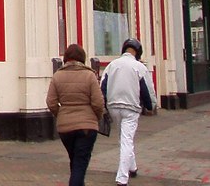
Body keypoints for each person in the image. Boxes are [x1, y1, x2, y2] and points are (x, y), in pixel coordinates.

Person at [46, 43, 105, 186]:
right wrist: (96, 117)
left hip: (65, 127)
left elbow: (51, 102)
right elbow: (98, 102)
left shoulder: (57, 76)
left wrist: (60, 115)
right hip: (87, 126)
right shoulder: (90, 75)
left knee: (75, 160)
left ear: (66, 58)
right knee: (80, 162)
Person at [101, 37, 157, 185]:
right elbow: (147, 89)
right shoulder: (139, 67)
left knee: (123, 137)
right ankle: (122, 177)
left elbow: (103, 86)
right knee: (127, 139)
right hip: (131, 107)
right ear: (138, 52)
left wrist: (103, 104)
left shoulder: (112, 65)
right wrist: (151, 105)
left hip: (113, 106)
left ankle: (132, 167)